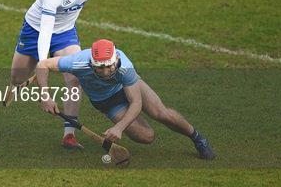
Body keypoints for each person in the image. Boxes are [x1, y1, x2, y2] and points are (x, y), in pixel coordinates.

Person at [9, 0, 179, 150]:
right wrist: (44, 85)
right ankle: (25, 80)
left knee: (74, 79)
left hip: (65, 33)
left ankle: (68, 135)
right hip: (36, 31)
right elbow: (44, 38)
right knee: (17, 78)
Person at [35, 39, 216, 160]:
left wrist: (119, 128)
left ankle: (197, 138)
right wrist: (45, 95)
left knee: (161, 113)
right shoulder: (77, 61)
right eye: (100, 68)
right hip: (107, 101)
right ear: (91, 64)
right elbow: (43, 64)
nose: (106, 72)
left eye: (109, 66)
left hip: (128, 87)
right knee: (147, 136)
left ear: (116, 59)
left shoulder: (125, 68)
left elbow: (136, 102)